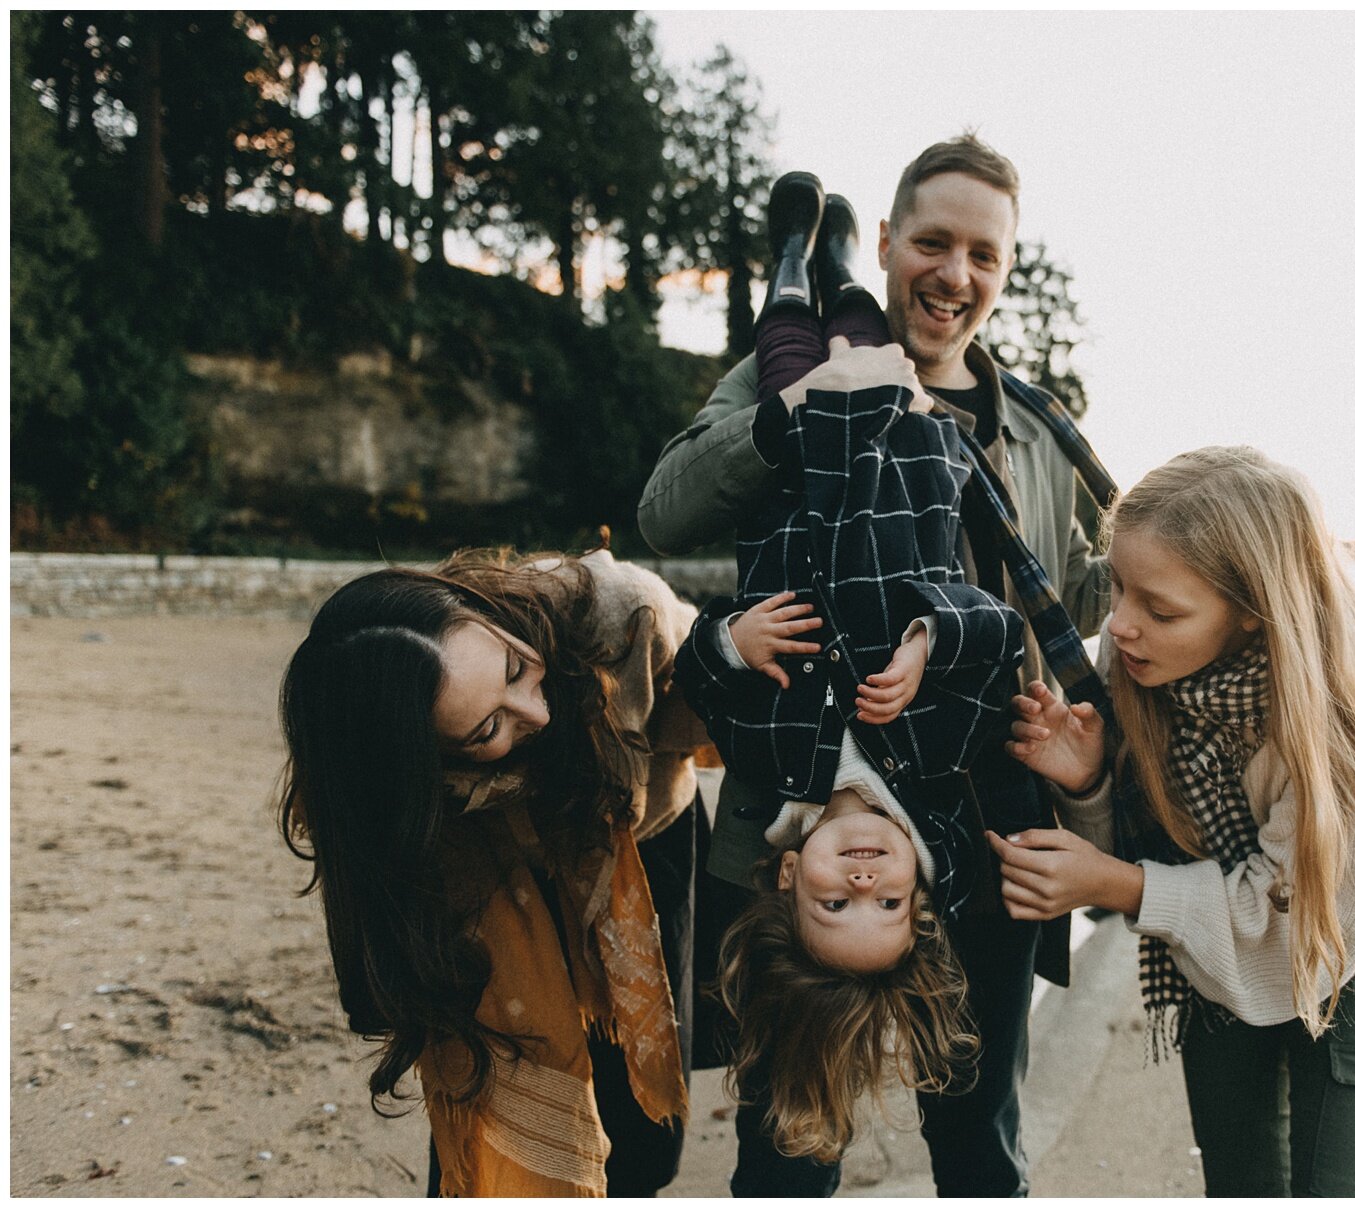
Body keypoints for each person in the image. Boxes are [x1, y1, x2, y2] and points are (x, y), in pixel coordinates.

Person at [637, 134, 1114, 1197]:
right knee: (789, 1126)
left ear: (1005, 267)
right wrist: (794, 412)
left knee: (979, 1117)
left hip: (998, 819)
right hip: (802, 813)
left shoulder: (1038, 429)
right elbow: (663, 511)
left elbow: (1087, 590)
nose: (956, 273)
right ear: (891, 245)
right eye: (935, 242)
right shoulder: (785, 381)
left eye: (984, 254)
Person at [993, 446, 1355, 1197]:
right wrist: (1087, 782)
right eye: (1117, 588)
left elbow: (1285, 902)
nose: (1119, 625)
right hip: (1210, 949)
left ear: (1252, 613)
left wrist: (1119, 886)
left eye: (1160, 608)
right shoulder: (1137, 661)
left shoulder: (1348, 701)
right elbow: (1139, 853)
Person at [277, 542, 709, 1196]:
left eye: (515, 670)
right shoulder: (404, 802)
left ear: (480, 609)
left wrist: (725, 651)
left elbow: (705, 699)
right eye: (486, 733)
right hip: (502, 875)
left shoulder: (621, 611)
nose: (536, 714)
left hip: (640, 854)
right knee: (494, 1108)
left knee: (643, 1141)